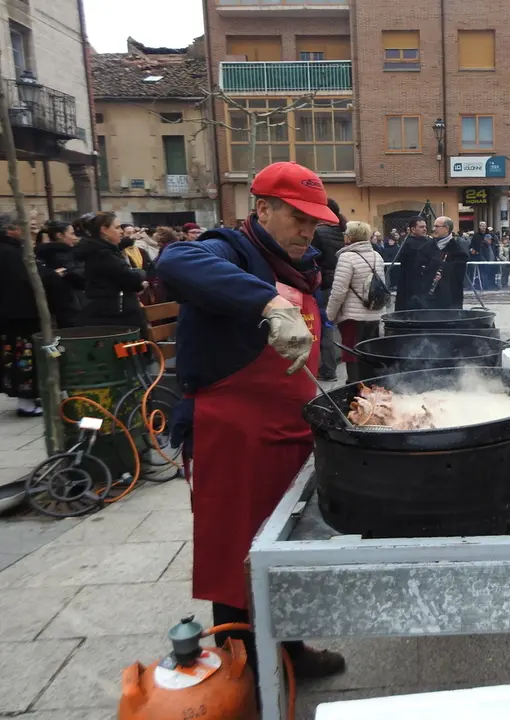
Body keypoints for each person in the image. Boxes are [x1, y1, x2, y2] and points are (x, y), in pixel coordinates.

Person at [156, 161, 345, 680]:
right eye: (298, 218)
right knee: (239, 558)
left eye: (315, 221)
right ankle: (243, 670)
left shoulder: (300, 266)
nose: (308, 231)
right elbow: (175, 262)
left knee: (285, 549)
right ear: (262, 209)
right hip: (232, 436)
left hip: (289, 430)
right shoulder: (228, 249)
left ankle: (290, 649)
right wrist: (266, 303)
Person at [327, 221, 388, 383]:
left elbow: (339, 291)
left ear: (351, 237)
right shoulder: (377, 255)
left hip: (353, 316)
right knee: (368, 351)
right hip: (374, 314)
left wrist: (330, 314)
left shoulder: (347, 257)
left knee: (351, 353)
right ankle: (370, 386)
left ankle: (353, 388)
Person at [0, 215, 43, 417]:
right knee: (23, 357)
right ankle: (25, 402)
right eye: (22, 227)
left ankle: (28, 398)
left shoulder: (12, 250)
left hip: (14, 315)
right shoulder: (9, 252)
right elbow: (22, 281)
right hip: (19, 316)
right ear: (10, 230)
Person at [76, 212, 149, 331]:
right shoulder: (102, 253)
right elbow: (129, 277)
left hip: (114, 310)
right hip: (115, 315)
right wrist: (140, 273)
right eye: (117, 227)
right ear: (104, 230)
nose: (121, 231)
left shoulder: (102, 249)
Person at [393, 216, 467, 310]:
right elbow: (418, 270)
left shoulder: (458, 250)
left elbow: (458, 276)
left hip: (448, 303)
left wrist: (444, 271)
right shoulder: (426, 246)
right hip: (427, 302)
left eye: (437, 226)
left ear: (446, 229)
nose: (433, 229)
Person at [311, 198, 346, 381]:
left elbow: (312, 258)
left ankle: (328, 369)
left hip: (325, 284)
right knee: (344, 327)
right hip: (345, 282)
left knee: (326, 327)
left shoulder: (319, 232)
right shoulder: (344, 230)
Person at [35, 221, 85, 328]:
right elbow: (78, 276)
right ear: (60, 235)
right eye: (71, 234)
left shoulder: (45, 253)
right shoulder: (62, 255)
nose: (75, 237)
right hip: (71, 303)